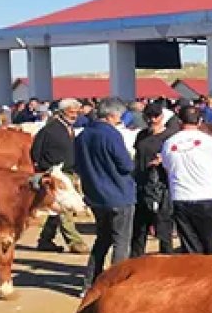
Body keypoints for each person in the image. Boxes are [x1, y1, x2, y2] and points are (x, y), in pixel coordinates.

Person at [73, 100, 137, 291]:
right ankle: (115, 285)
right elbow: (126, 165)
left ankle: (90, 283)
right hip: (118, 193)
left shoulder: (82, 135)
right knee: (121, 242)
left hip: (95, 194)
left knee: (102, 240)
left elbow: (77, 165)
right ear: (112, 116)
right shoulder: (111, 135)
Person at [161, 106, 212, 255]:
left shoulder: (168, 143)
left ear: (180, 122)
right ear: (200, 122)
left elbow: (167, 168)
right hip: (208, 198)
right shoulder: (210, 142)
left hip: (181, 198)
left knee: (190, 248)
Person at [31, 99, 89, 254]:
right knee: (65, 208)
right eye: (71, 112)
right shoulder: (49, 130)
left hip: (67, 172)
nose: (74, 115)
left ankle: (45, 240)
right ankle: (75, 242)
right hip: (54, 174)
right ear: (62, 112)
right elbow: (35, 151)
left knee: (56, 210)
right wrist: (44, 169)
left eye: (76, 112)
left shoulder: (69, 129)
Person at [130, 103, 178, 257]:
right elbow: (137, 156)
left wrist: (164, 161)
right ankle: (137, 262)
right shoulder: (141, 135)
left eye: (155, 116)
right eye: (149, 116)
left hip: (162, 186)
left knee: (164, 228)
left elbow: (177, 161)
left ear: (162, 117)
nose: (152, 119)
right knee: (139, 229)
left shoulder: (171, 136)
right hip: (141, 184)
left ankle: (167, 262)